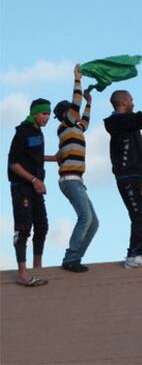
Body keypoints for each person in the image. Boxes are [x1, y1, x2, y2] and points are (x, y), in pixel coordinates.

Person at [104, 81, 142, 268]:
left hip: (136, 177)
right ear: (123, 101)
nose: (133, 102)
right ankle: (133, 255)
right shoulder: (117, 122)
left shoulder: (128, 122)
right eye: (131, 99)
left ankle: (136, 253)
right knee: (139, 215)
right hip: (128, 177)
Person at [54, 64, 99, 273]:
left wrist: (90, 104)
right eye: (76, 112)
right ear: (67, 114)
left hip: (77, 181)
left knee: (94, 223)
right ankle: (70, 259)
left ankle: (75, 258)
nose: (79, 114)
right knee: (85, 217)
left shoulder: (76, 127)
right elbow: (76, 102)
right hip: (70, 179)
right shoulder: (65, 126)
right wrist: (77, 79)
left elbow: (86, 123)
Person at [7, 98, 52, 286]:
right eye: (44, 113)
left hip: (36, 188)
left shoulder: (38, 132)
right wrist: (34, 180)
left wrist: (53, 158)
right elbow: (14, 163)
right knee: (24, 228)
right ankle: (23, 273)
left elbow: (32, 156)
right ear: (34, 113)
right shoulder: (22, 132)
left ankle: (37, 267)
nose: (47, 117)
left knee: (42, 225)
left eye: (49, 114)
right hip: (22, 187)